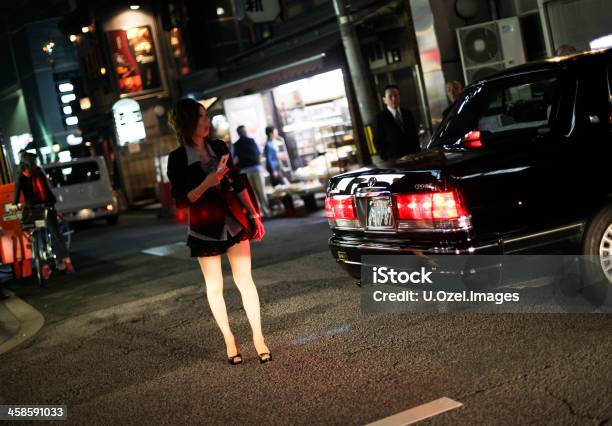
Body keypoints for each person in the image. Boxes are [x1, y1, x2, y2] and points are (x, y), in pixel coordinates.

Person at [166, 99, 271, 365]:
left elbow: (238, 182)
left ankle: (258, 338)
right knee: (215, 286)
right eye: (201, 117)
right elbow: (180, 200)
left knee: (245, 280)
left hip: (233, 220)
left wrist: (254, 213)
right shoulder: (177, 158)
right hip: (204, 227)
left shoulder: (219, 147)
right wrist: (207, 183)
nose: (206, 121)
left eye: (206, 116)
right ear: (187, 121)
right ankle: (229, 340)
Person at [10, 151, 74, 278]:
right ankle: (51, 263)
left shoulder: (31, 173)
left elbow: (41, 188)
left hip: (42, 206)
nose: (33, 167)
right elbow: (18, 190)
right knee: (43, 233)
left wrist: (15, 204)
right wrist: (14, 203)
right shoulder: (26, 174)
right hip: (38, 207)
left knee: (52, 232)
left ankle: (64, 260)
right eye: (32, 164)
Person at [373, 84, 420, 163]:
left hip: (413, 158)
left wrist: (417, 153)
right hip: (394, 161)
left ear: (399, 96)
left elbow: (414, 135)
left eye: (396, 95)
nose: (394, 98)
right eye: (390, 96)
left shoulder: (408, 113)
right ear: (384, 100)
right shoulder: (380, 118)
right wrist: (388, 158)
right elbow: (378, 141)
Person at [232, 126, 271, 217]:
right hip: (257, 168)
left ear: (238, 133)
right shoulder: (252, 141)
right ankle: (267, 211)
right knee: (261, 191)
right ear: (245, 132)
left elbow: (233, 159)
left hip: (244, 171)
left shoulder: (236, 145)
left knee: (252, 193)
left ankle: (258, 212)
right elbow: (260, 152)